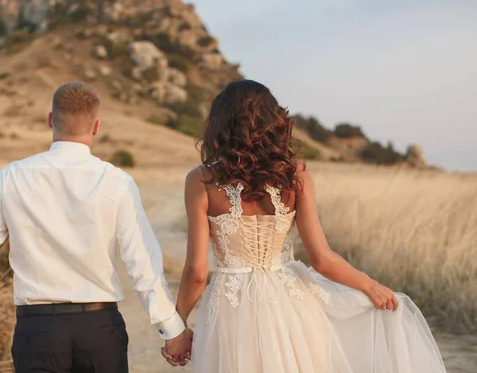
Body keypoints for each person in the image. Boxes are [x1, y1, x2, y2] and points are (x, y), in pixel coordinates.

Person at [168, 79, 447, 372]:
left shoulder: (202, 180)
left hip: (230, 307)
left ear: (219, 127)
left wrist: (176, 327)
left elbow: (197, 273)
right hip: (291, 305)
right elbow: (322, 259)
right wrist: (370, 286)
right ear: (273, 123)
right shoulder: (295, 175)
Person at [0, 81, 192, 373]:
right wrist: (171, 329)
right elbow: (142, 262)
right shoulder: (116, 182)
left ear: (50, 119)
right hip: (100, 330)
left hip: (37, 330)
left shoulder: (10, 178)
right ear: (96, 127)